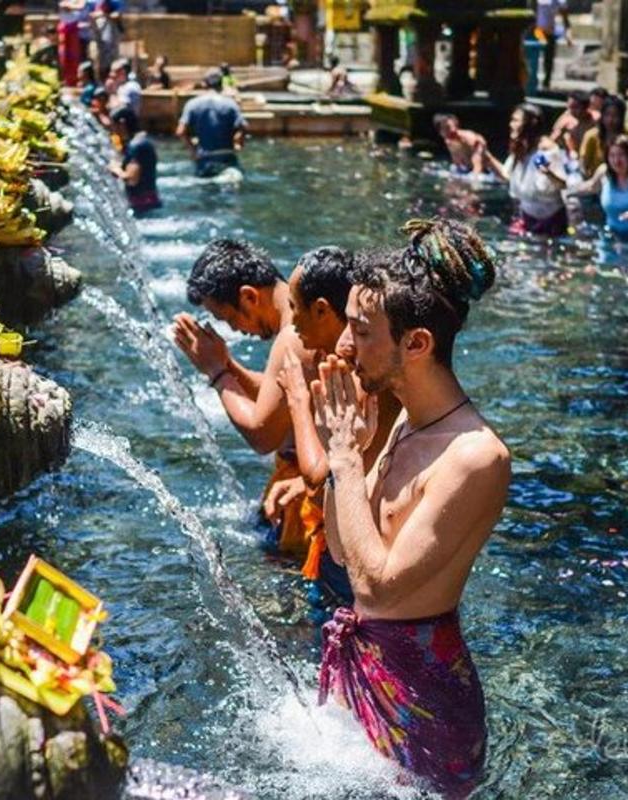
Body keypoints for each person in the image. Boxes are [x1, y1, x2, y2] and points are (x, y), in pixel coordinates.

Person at [312, 218, 509, 796]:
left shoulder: (476, 457)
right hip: (368, 669)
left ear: (416, 344)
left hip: (426, 713)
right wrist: (339, 461)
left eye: (361, 331)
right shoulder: (403, 422)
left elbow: (380, 589)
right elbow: (347, 553)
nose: (344, 345)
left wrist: (348, 460)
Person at [274, 249, 403, 605]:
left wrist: (298, 399)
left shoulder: (363, 375)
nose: (292, 320)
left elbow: (321, 474)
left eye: (358, 328)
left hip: (359, 545)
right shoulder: (364, 367)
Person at [171, 240, 315, 557]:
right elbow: (278, 396)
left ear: (249, 296)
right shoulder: (299, 321)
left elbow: (263, 434)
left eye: (229, 319)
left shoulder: (294, 336)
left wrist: (217, 374)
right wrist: (228, 364)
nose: (236, 329)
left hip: (312, 505)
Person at [486, 103, 570, 236]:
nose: (511, 124)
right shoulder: (520, 147)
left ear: (531, 123)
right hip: (527, 219)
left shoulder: (546, 150)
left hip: (551, 222)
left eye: (516, 120)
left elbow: (563, 184)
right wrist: (487, 157)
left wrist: (549, 173)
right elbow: (506, 175)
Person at [567, 133, 628, 239]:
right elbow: (591, 187)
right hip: (613, 234)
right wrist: (567, 191)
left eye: (621, 155)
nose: (617, 161)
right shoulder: (604, 171)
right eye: (612, 155)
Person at [177, 69, 248, 178]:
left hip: (205, 158)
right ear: (221, 85)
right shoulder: (231, 104)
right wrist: (238, 143)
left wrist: (193, 151)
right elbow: (243, 127)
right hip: (227, 158)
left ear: (204, 84)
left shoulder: (192, 104)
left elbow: (180, 132)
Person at [108, 107, 161, 214]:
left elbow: (132, 179)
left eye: (113, 125)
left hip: (142, 204)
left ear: (122, 123)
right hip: (149, 201)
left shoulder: (136, 145)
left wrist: (115, 169)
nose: (112, 130)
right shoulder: (142, 140)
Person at [579, 95, 628, 177]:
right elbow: (583, 163)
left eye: (615, 116)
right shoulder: (592, 136)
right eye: (607, 115)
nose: (610, 120)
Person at [534, 0, 570, 89]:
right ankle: (534, 80)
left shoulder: (560, 2)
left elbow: (565, 17)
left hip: (549, 32)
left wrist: (568, 34)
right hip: (538, 31)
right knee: (534, 54)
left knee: (548, 58)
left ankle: (546, 81)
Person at [550, 89, 594, 161]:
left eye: (574, 107)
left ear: (585, 108)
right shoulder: (566, 118)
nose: (570, 110)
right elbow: (552, 139)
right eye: (569, 106)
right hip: (570, 159)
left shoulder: (594, 121)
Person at [57, 0, 88, 86]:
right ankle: (66, 80)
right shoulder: (65, 6)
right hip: (65, 35)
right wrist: (70, 5)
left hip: (73, 36)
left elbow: (81, 5)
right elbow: (62, 4)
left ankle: (73, 80)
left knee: (74, 58)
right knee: (64, 58)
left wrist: (70, 6)